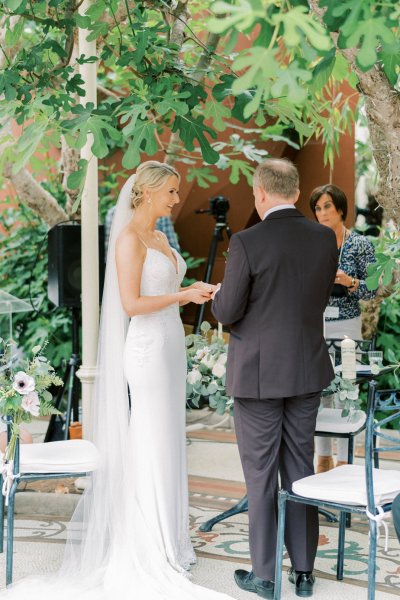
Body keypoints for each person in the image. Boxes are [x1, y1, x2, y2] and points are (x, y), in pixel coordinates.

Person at [2, 161, 234, 600]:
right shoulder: (128, 239)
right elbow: (130, 303)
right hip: (145, 350)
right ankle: (148, 541)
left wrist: (194, 290)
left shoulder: (161, 237)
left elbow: (163, 291)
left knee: (169, 439)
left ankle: (169, 536)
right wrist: (183, 295)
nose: (176, 199)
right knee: (149, 437)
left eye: (176, 191)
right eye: (169, 191)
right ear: (145, 193)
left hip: (169, 346)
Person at [212, 158, 337, 599]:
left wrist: (218, 299)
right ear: (298, 191)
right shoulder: (324, 238)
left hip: (259, 375)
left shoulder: (247, 241)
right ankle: (304, 571)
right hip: (306, 368)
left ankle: (265, 575)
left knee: (261, 475)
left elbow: (227, 312)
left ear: (260, 192)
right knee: (300, 469)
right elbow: (316, 298)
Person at [309, 184, 377, 473]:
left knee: (346, 391)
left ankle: (345, 462)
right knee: (319, 392)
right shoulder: (309, 243)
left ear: (340, 208)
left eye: (327, 206)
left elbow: (373, 289)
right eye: (317, 208)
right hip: (315, 326)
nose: (322, 213)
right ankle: (322, 460)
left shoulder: (360, 244)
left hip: (348, 327)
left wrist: (349, 282)